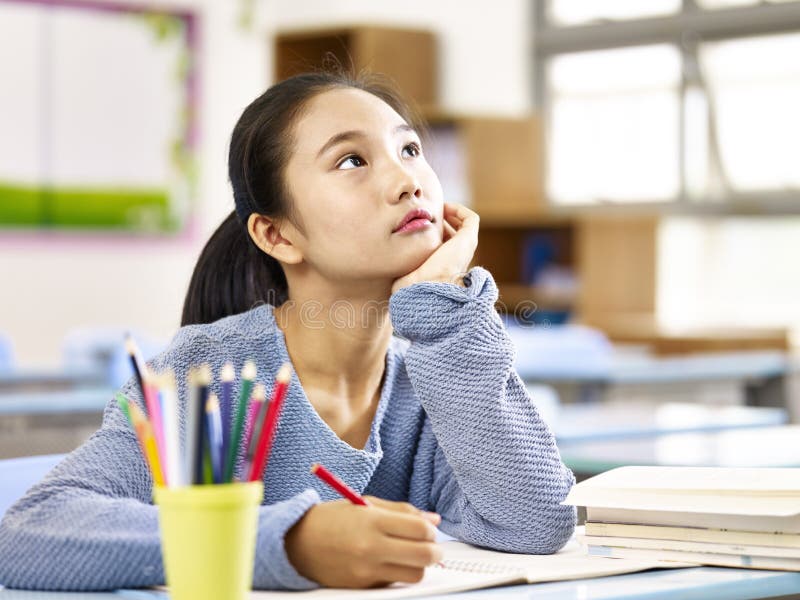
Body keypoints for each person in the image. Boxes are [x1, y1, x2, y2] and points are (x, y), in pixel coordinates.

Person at [0, 70, 576, 591]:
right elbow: (29, 530)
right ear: (277, 236)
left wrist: (445, 309)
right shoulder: (210, 376)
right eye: (353, 161)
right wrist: (288, 543)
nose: (408, 181)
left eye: (410, 149)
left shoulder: (436, 380)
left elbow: (536, 521)